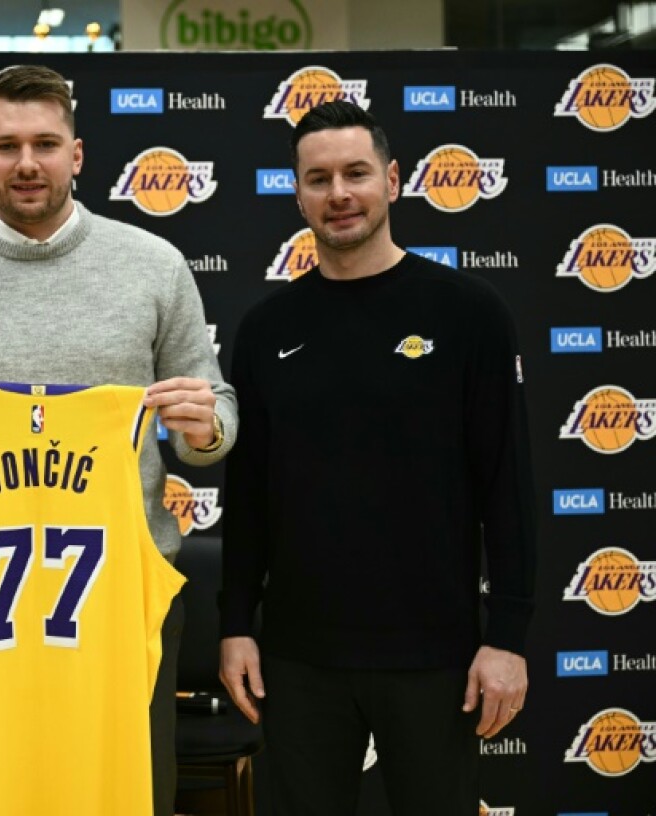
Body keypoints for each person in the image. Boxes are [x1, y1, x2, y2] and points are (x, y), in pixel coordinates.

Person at [0, 65, 237, 816]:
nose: (26, 162)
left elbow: (213, 417)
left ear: (78, 154)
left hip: (122, 599)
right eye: (6, 146)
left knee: (126, 795)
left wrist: (205, 430)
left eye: (45, 143)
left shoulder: (154, 266)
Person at [219, 100, 537, 815]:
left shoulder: (468, 311)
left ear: (392, 181)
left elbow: (507, 488)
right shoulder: (267, 328)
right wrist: (237, 623)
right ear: (297, 193)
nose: (339, 193)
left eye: (356, 173)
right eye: (319, 177)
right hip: (297, 662)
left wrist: (508, 638)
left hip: (436, 657)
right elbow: (247, 498)